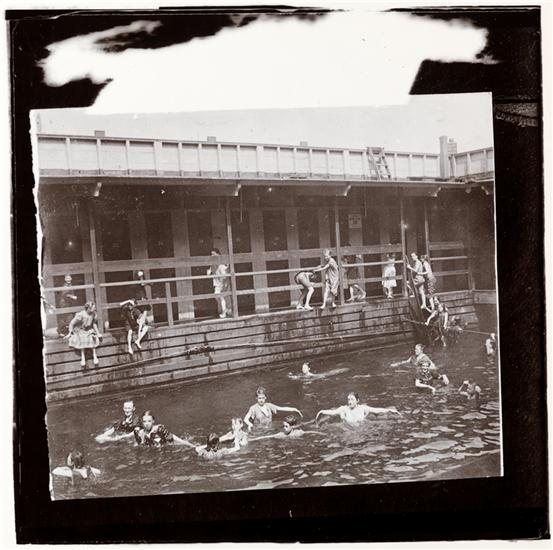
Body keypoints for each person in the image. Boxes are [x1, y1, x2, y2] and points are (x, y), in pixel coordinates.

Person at [316, 392, 400, 426]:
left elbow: (377, 410)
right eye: (348, 399)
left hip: (362, 429)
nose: (350, 402)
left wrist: (389, 410)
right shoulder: (343, 409)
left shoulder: (363, 408)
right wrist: (321, 411)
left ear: (357, 400)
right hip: (348, 430)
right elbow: (332, 412)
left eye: (352, 399)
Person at [67, 301, 102, 367]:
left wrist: (98, 333)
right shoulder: (81, 314)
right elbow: (72, 323)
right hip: (80, 330)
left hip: (89, 330)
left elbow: (94, 324)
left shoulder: (93, 314)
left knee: (92, 337)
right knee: (82, 339)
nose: (94, 309)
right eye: (93, 308)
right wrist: (70, 332)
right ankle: (83, 358)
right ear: (89, 308)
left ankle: (94, 355)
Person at [251, 415, 321, 440]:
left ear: (292, 426)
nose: (284, 428)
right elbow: (267, 437)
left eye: (286, 426)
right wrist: (253, 439)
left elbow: (311, 432)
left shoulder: (298, 432)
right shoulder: (281, 434)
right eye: (284, 426)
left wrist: (323, 434)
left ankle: (312, 421)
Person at [207, 248, 231, 319]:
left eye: (214, 254)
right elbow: (209, 272)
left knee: (221, 296)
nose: (212, 256)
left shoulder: (222, 263)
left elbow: (225, 274)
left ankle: (224, 312)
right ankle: (226, 310)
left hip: (223, 283)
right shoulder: (212, 263)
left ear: (218, 254)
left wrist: (224, 283)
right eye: (211, 254)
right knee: (217, 296)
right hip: (216, 283)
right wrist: (208, 272)